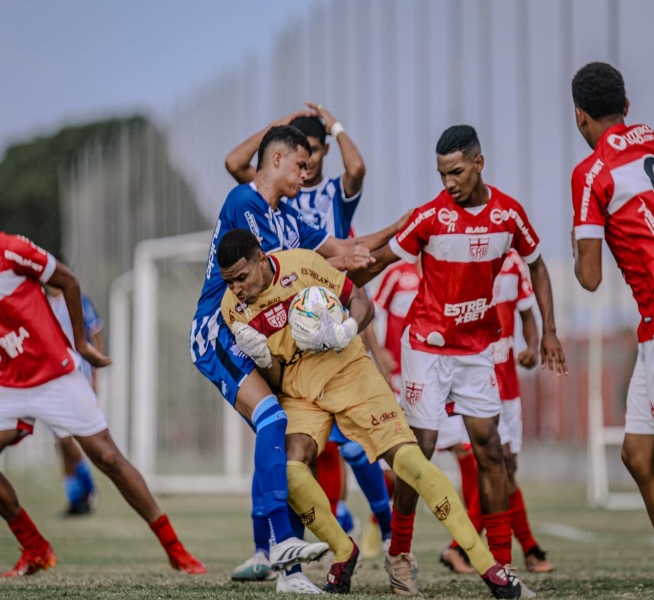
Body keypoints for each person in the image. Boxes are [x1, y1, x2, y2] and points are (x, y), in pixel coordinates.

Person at [218, 228, 524, 598]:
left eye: (241, 278)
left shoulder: (302, 265)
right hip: (299, 390)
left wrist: (347, 329)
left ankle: (487, 566)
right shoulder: (231, 309)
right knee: (288, 468)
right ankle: (344, 551)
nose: (236, 288)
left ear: (261, 259)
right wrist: (263, 358)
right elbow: (276, 378)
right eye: (229, 282)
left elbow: (362, 303)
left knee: (409, 461)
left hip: (349, 371)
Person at [0, 184, 205, 577]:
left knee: (108, 458)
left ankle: (176, 550)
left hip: (56, 373)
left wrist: (81, 344)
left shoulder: (12, 249)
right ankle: (36, 548)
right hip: (11, 381)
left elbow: (69, 281)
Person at [352, 124, 567, 596]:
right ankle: (401, 556)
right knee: (420, 450)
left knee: (491, 451)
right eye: (441, 174)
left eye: (456, 172)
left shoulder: (509, 215)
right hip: (426, 349)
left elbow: (538, 264)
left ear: (478, 163)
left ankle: (501, 567)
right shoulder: (430, 217)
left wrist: (548, 330)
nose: (448, 183)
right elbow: (381, 260)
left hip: (476, 351)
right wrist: (335, 278)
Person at [191, 124, 403, 593]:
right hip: (221, 331)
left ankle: (280, 565)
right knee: (273, 421)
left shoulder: (287, 215)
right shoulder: (243, 205)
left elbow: (345, 253)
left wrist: (406, 230)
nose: (308, 174)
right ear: (278, 160)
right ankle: (281, 549)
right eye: (302, 164)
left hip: (266, 338)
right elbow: (293, 272)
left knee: (287, 441)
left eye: (312, 166)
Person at [570, 61, 654, 600]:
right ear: (627, 105)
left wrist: (579, 247)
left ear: (579, 116)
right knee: (639, 455)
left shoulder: (593, 171)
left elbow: (589, 278)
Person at [438, 249, 554, 574]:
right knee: (495, 463)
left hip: (508, 385)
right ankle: (466, 547)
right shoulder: (461, 259)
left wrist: (533, 346)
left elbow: (527, 314)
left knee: (508, 466)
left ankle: (524, 549)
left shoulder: (515, 263)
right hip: (473, 380)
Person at [46, 273, 103, 516]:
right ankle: (75, 498)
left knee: (70, 438)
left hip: (76, 377)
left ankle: (89, 486)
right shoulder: (43, 304)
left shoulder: (79, 300)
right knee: (60, 443)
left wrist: (95, 374)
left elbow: (96, 333)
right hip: (49, 380)